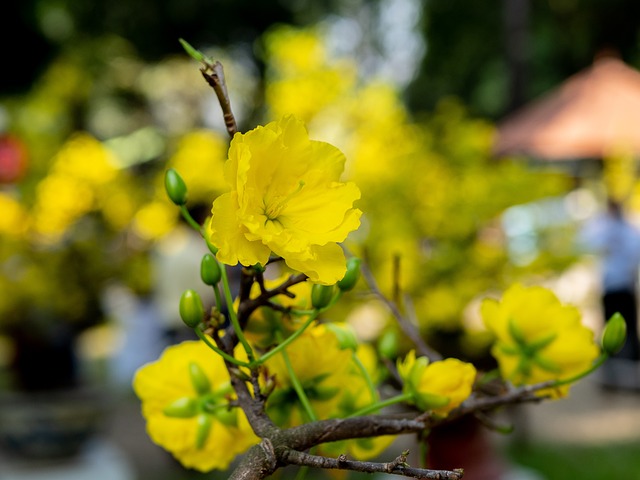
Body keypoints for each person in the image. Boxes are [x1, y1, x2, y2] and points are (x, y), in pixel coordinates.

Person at [579, 198, 640, 388]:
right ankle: (612, 377)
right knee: (610, 329)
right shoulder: (602, 228)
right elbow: (586, 243)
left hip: (624, 285)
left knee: (628, 329)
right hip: (610, 286)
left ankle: (632, 371)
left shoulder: (628, 229)